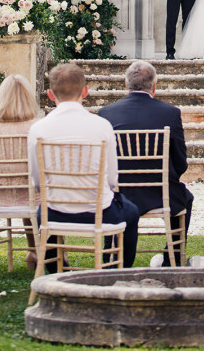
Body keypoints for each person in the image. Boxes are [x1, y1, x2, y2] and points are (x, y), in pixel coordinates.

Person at [27, 62, 139, 271]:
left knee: (42, 213)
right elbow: (112, 180)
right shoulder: (101, 126)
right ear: (85, 92)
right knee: (131, 212)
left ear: (51, 94)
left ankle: (57, 274)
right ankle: (116, 272)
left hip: (55, 210)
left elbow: (36, 182)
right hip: (99, 209)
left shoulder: (38, 129)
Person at [98, 60, 193, 266]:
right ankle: (171, 259)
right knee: (186, 198)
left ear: (126, 85)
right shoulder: (170, 113)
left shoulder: (106, 113)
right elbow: (180, 161)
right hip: (159, 192)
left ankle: (111, 254)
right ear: (154, 86)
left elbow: (104, 162)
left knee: (108, 195)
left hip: (120, 194)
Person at [0, 74, 42, 269]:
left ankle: (33, 252)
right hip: (33, 194)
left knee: (28, 191)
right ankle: (52, 252)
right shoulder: (37, 125)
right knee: (42, 191)